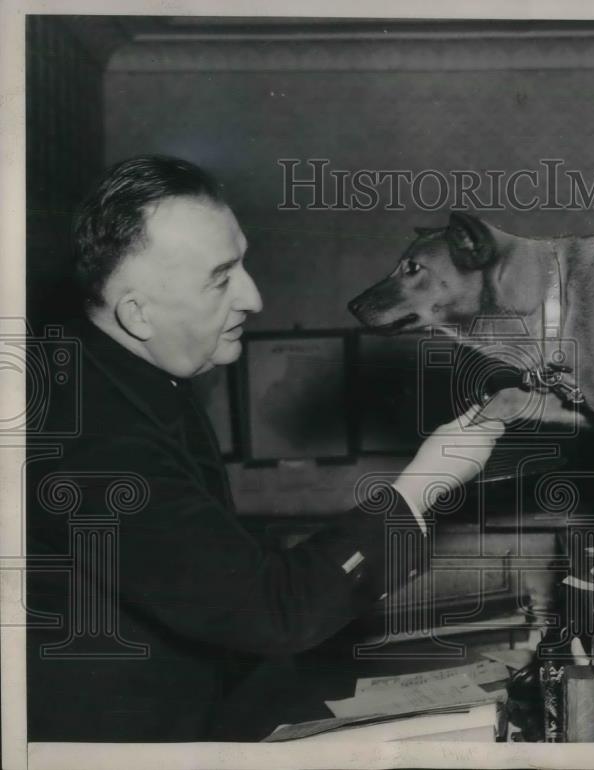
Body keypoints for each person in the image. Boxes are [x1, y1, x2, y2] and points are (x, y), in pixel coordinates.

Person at [26, 155, 504, 742]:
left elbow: (223, 575)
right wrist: (421, 485)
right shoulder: (92, 436)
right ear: (137, 313)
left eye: (242, 264)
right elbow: (269, 611)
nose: (253, 297)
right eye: (221, 278)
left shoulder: (118, 378)